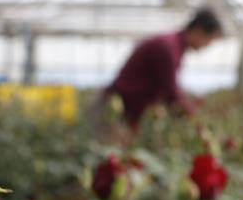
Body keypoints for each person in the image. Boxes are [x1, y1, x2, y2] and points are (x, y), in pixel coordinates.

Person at [96, 8, 223, 137]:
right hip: (115, 109)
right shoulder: (168, 48)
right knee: (107, 149)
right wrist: (197, 124)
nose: (207, 46)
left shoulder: (173, 46)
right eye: (209, 40)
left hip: (126, 109)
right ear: (199, 30)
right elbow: (171, 93)